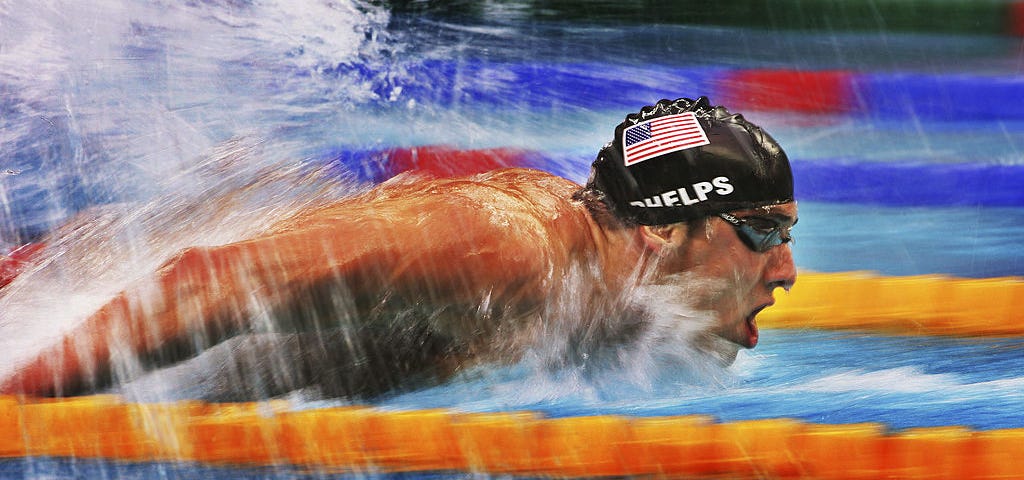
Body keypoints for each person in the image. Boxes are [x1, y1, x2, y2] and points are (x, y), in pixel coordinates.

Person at [0, 96, 797, 401]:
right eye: (762, 234)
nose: (787, 272)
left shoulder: (605, 291)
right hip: (46, 319)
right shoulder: (508, 246)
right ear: (663, 229)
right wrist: (17, 408)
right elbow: (216, 278)